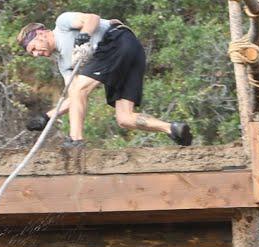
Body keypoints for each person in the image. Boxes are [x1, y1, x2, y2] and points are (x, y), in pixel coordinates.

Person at [18, 12, 192, 148]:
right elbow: (74, 98)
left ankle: (75, 141)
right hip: (130, 54)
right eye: (32, 53)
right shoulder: (64, 64)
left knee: (78, 88)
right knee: (125, 118)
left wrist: (83, 37)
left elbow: (92, 18)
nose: (36, 54)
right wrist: (46, 116)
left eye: (33, 48)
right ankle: (172, 128)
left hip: (117, 40)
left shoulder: (62, 24)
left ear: (40, 33)